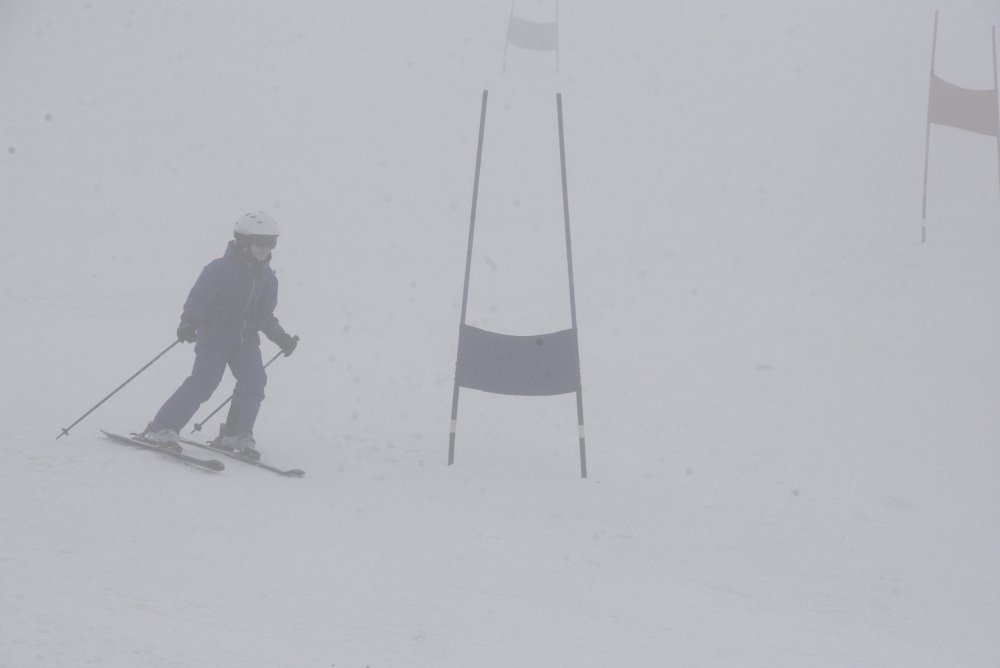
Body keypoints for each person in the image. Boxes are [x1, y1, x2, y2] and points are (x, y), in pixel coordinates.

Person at [144, 211, 299, 458]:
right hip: (215, 336)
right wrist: (188, 322)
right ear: (243, 241)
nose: (265, 249)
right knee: (204, 381)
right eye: (260, 242)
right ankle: (162, 427)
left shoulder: (268, 278)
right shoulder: (220, 269)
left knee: (254, 380)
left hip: (245, 340)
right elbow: (198, 298)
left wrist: (281, 337)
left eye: (271, 243)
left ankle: (235, 434)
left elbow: (265, 316)